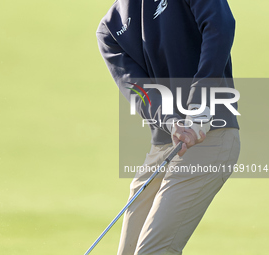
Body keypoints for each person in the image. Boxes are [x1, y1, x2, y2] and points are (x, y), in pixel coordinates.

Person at [96, 0, 240, 254]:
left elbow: (220, 26)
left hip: (212, 135)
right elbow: (139, 90)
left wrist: (199, 105)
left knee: (152, 251)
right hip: (164, 144)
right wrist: (171, 121)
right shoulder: (110, 29)